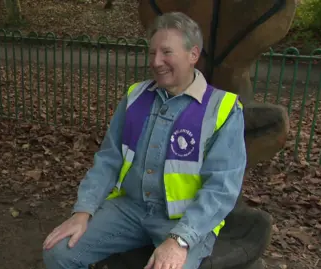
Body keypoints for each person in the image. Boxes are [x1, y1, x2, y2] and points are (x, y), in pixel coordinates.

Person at [42, 11, 247, 269]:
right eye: (152, 53)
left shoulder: (223, 109)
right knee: (58, 253)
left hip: (184, 220)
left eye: (166, 52)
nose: (156, 62)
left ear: (193, 55)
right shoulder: (135, 97)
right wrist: (83, 211)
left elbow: (221, 188)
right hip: (129, 210)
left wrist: (179, 239)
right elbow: (109, 159)